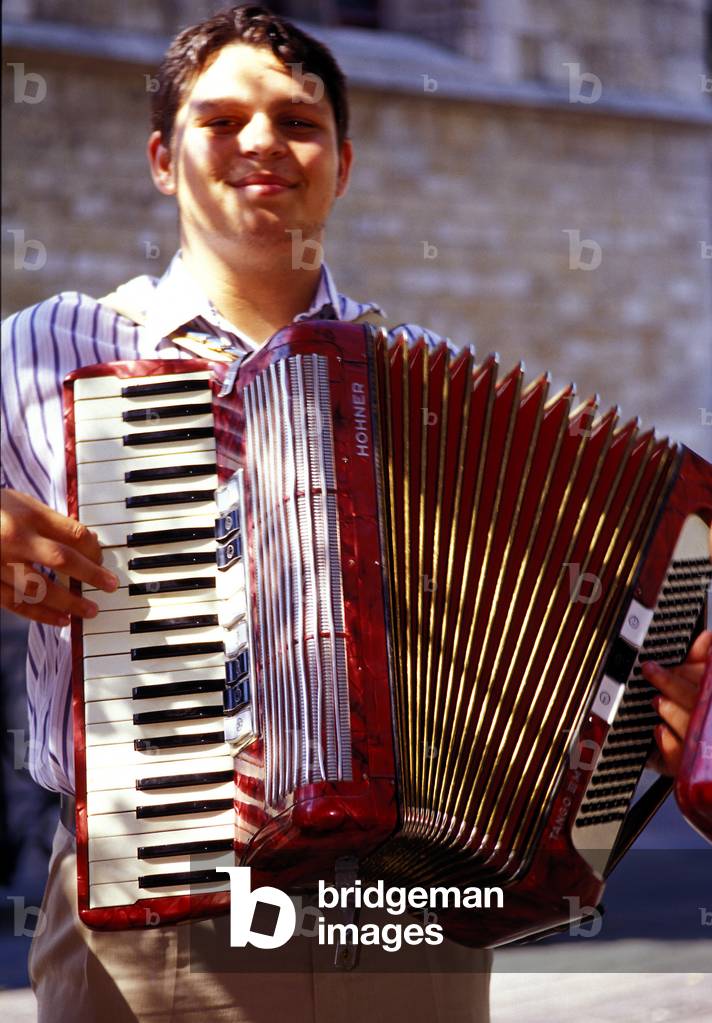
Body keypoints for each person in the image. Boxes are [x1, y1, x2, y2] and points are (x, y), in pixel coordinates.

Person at [0, 5, 709, 1022]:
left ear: (342, 164)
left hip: (410, 907)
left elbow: (533, 630)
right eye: (220, 120)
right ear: (163, 160)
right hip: (164, 918)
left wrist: (645, 700)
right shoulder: (49, 347)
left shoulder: (422, 383)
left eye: (298, 123)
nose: (261, 144)